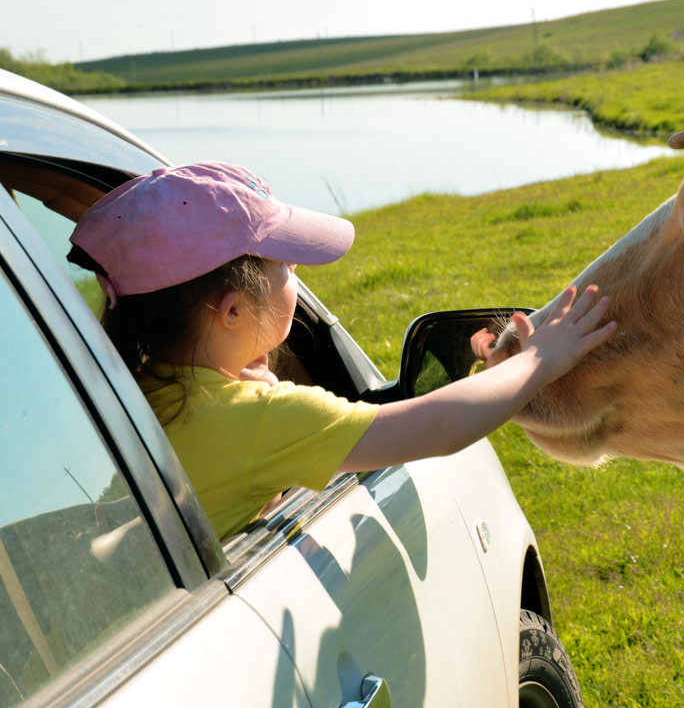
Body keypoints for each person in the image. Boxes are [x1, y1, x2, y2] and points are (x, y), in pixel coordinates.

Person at [68, 161, 616, 539]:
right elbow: (433, 428)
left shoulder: (132, 390)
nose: (297, 271)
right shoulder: (259, 420)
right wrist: (539, 360)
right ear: (232, 311)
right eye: (283, 264)